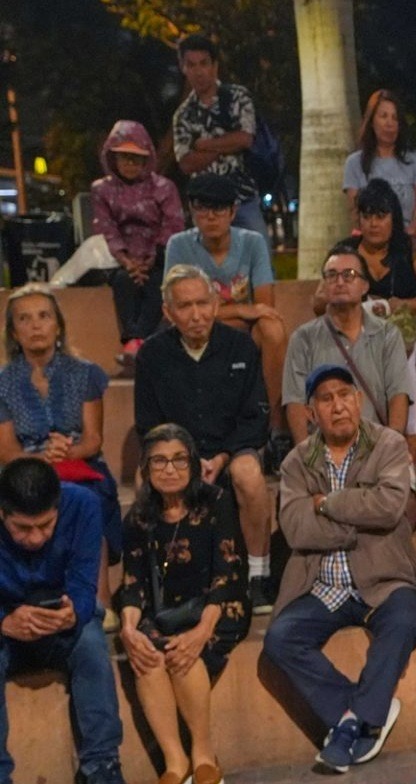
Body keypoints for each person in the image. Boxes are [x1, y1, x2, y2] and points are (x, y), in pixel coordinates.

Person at [263, 365, 416, 774]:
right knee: (280, 638)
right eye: (326, 399)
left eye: (344, 395)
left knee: (404, 623)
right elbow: (297, 530)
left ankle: (349, 726)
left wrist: (327, 504)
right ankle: (359, 716)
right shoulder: (298, 462)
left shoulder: (387, 444)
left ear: (359, 400)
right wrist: (357, 522)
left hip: (382, 578)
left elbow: (388, 507)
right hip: (321, 585)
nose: (338, 406)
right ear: (312, 412)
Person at [135, 265, 276, 614]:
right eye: (185, 306)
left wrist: (224, 456)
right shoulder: (152, 355)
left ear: (215, 305)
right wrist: (184, 459)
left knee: (249, 474)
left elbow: (256, 415)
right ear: (168, 312)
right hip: (177, 451)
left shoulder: (240, 346)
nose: (196, 315)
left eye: (202, 303)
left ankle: (257, 577)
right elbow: (148, 424)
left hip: (231, 450)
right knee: (146, 479)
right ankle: (154, 582)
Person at [117, 424, 250, 784]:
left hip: (218, 607)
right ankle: (175, 763)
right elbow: (132, 584)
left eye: (178, 459)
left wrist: (203, 629)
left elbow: (228, 572)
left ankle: (204, 754)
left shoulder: (216, 502)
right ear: (145, 468)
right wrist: (129, 628)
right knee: (147, 654)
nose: (169, 469)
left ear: (192, 463)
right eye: (159, 461)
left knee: (183, 652)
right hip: (164, 613)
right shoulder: (139, 517)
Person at [0, 285, 122, 630]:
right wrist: (41, 461)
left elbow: (93, 439)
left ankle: (101, 599)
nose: (36, 325)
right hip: (20, 467)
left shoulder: (86, 373)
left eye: (44, 316)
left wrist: (66, 452)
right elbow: (6, 449)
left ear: (58, 325)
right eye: (24, 318)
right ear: (13, 331)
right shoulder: (2, 383)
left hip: (77, 461)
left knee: (92, 497)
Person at [0, 458, 124, 784]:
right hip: (6, 627)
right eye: (23, 528)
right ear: (2, 513)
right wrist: (4, 622)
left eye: (46, 525)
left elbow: (85, 585)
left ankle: (102, 768)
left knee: (92, 642)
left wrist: (73, 614)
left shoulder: (83, 505)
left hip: (58, 622)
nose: (36, 538)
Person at [165, 173, 290, 440]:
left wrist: (221, 313)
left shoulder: (252, 242)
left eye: (219, 208)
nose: (211, 216)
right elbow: (176, 309)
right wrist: (241, 310)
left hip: (238, 330)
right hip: (196, 329)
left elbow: (265, 307)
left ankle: (275, 427)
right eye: (202, 208)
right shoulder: (179, 246)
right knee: (190, 324)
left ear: (233, 211)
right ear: (192, 210)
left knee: (273, 328)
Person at [331, 181, 416, 457]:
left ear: (393, 217)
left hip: (401, 330)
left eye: (380, 216)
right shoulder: (346, 252)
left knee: (401, 348)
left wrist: (400, 305)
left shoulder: (409, 248)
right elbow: (320, 300)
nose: (373, 224)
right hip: (356, 329)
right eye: (367, 216)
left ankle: (409, 435)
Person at [282, 246, 412, 444]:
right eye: (332, 275)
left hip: (375, 449)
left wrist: (390, 450)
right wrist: (308, 458)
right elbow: (295, 403)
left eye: (349, 275)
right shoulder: (303, 339)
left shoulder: (388, 336)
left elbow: (398, 396)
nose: (340, 282)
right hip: (324, 452)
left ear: (365, 286)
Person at [90, 120, 184, 369]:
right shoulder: (102, 190)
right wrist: (128, 261)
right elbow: (105, 226)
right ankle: (133, 340)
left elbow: (173, 224)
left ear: (147, 159)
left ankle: (139, 341)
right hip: (121, 257)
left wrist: (151, 258)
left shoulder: (164, 187)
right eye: (124, 157)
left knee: (158, 282)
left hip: (158, 254)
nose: (130, 164)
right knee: (123, 281)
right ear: (112, 158)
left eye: (136, 158)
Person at [171, 33, 265, 235]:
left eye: (203, 64)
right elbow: (186, 163)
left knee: (259, 262)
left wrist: (203, 146)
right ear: (183, 68)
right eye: (191, 65)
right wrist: (225, 145)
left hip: (243, 199)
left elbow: (245, 139)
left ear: (214, 66)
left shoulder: (238, 97)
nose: (198, 72)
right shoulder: (183, 115)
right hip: (206, 207)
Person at [344, 90, 416, 238]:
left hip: (408, 239)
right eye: (383, 116)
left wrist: (404, 239)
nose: (389, 123)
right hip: (371, 240)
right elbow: (356, 214)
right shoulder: (354, 163)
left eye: (395, 118)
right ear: (372, 121)